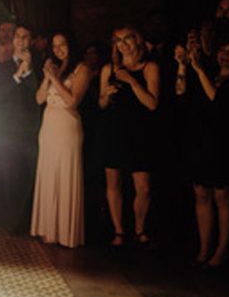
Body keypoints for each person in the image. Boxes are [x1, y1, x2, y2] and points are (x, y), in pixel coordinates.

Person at [177, 36, 229, 268]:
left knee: (222, 196)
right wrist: (184, 66)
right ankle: (204, 247)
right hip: (202, 141)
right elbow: (183, 95)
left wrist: (198, 70)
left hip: (226, 144)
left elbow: (219, 102)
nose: (224, 55)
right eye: (222, 50)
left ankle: (222, 249)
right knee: (201, 193)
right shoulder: (210, 74)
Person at [98, 25, 160, 246]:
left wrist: (131, 81)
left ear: (137, 41)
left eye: (127, 39)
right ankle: (119, 231)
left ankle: (139, 229)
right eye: (118, 40)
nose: (122, 44)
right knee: (113, 183)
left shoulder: (149, 67)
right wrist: (105, 95)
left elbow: (152, 104)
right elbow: (101, 104)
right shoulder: (109, 69)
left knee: (143, 188)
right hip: (114, 131)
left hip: (139, 133)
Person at [30, 33, 90, 247]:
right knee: (48, 174)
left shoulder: (82, 69)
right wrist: (47, 77)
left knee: (65, 174)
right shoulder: (55, 68)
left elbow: (72, 101)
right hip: (48, 126)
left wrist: (55, 78)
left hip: (67, 126)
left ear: (70, 44)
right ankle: (48, 229)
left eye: (62, 44)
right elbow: (39, 99)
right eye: (54, 46)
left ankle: (66, 233)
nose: (58, 49)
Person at [0, 24, 42, 234]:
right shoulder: (2, 69)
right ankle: (14, 223)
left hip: (33, 130)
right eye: (17, 36)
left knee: (31, 175)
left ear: (31, 41)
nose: (20, 40)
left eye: (25, 36)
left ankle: (32, 221)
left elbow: (39, 98)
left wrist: (29, 71)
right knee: (11, 177)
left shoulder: (39, 68)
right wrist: (18, 75)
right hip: (8, 132)